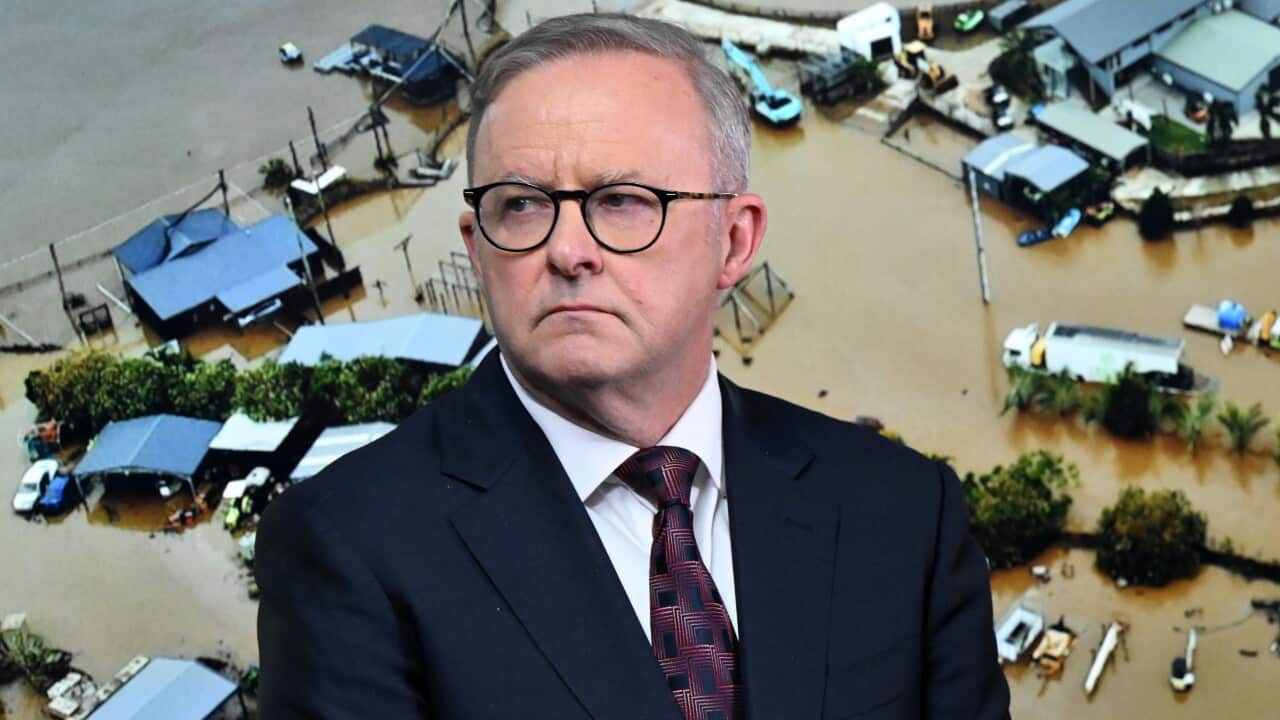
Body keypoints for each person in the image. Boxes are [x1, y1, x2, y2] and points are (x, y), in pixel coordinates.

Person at [256, 13, 1010, 720]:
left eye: (622, 200)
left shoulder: (902, 509)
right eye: (520, 206)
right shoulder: (348, 548)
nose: (566, 250)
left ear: (735, 241)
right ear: (476, 246)